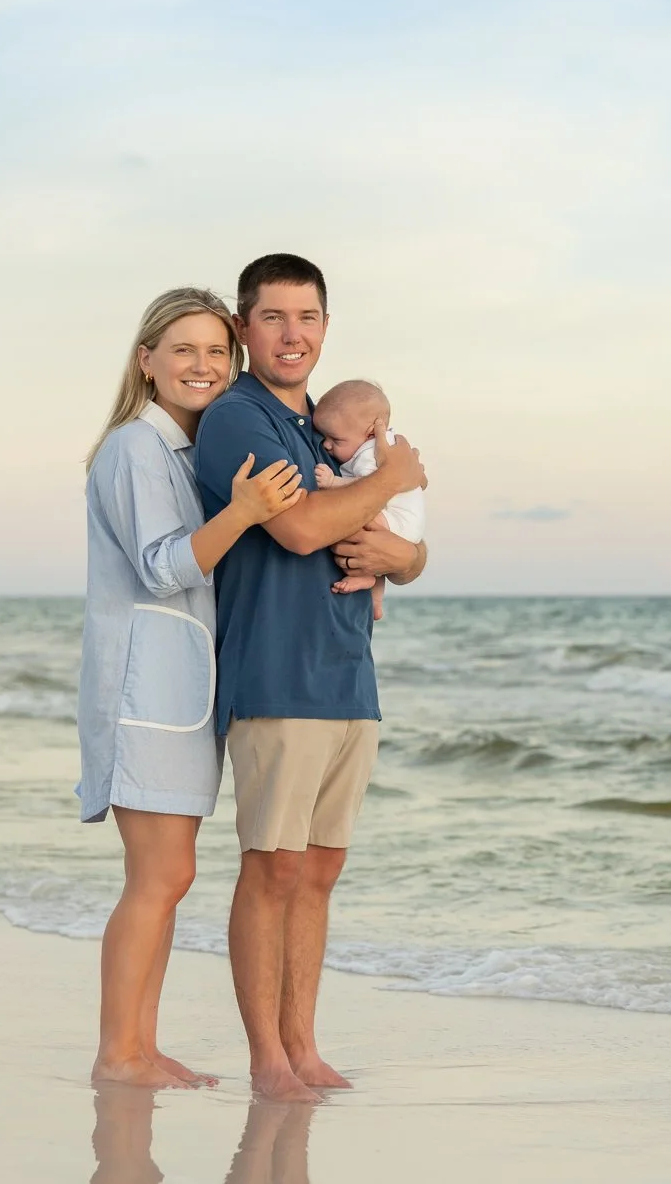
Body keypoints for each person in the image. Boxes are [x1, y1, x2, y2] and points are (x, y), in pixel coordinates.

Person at [194, 253, 429, 1103]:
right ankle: (268, 1058)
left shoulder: (328, 430)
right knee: (273, 869)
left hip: (348, 679)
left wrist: (409, 553)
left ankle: (304, 1046)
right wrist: (396, 478)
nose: (293, 336)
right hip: (274, 677)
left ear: (326, 327)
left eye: (308, 318)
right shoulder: (237, 419)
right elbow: (298, 530)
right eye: (274, 319)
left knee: (321, 871)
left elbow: (402, 549)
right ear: (243, 327)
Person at [77, 287, 305, 1089]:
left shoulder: (183, 449)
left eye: (216, 352)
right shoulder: (134, 449)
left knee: (171, 876)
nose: (202, 365)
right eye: (183, 350)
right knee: (158, 877)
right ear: (147, 362)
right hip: (143, 689)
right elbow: (162, 565)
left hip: (183, 693)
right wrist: (243, 511)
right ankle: (118, 1052)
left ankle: (141, 1045)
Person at [311, 378, 426, 621]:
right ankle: (375, 601)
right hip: (405, 525)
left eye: (336, 440)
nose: (327, 445)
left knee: (354, 517)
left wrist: (333, 483)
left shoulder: (371, 452)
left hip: (398, 522)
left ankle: (365, 578)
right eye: (324, 437)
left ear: (370, 433)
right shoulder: (380, 445)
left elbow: (366, 488)